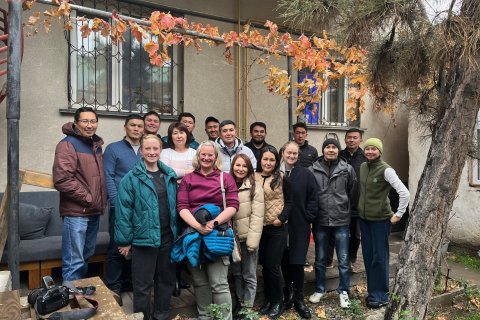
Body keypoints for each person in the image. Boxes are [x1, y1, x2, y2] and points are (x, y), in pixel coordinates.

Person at [115, 134, 178, 319]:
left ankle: (162, 315)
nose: (151, 152)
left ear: (160, 150)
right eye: (147, 149)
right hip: (143, 239)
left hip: (167, 237)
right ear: (141, 151)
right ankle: (143, 316)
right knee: (142, 284)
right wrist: (124, 241)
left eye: (155, 148)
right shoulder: (131, 178)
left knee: (165, 280)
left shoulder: (169, 175)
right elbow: (123, 211)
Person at [177, 141, 239, 320]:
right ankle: (205, 317)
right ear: (198, 156)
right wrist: (197, 226)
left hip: (217, 234)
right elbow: (182, 206)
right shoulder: (188, 179)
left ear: (216, 157)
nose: (206, 157)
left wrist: (213, 222)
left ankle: (224, 318)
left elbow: (234, 205)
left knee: (219, 283)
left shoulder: (225, 178)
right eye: (202, 154)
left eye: (210, 154)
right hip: (193, 235)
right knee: (199, 282)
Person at [52, 107, 107, 281]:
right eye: (85, 121)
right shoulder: (68, 144)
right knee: (74, 260)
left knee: (85, 255)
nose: (89, 125)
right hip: (77, 212)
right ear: (76, 123)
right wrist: (88, 198)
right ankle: (69, 299)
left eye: (93, 121)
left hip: (92, 212)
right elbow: (62, 179)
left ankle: (78, 294)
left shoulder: (95, 146)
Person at [359, 138, 410, 309]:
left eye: (374, 149)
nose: (370, 152)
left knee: (379, 258)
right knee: (368, 256)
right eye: (368, 149)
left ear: (380, 151)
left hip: (380, 221)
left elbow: (404, 193)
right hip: (364, 220)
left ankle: (381, 295)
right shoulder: (363, 167)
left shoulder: (386, 170)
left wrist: (398, 215)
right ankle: (373, 292)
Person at [308, 138, 356, 309]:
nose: (330, 150)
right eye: (327, 147)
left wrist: (344, 207)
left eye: (334, 147)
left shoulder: (347, 169)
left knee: (343, 259)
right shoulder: (312, 169)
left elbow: (351, 191)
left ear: (338, 150)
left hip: (341, 219)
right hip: (320, 220)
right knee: (320, 258)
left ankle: (343, 292)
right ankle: (320, 289)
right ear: (323, 150)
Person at [103, 114, 144, 302]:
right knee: (117, 247)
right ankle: (114, 287)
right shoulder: (113, 149)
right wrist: (115, 201)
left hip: (142, 209)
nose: (136, 129)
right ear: (125, 127)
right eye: (133, 125)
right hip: (120, 207)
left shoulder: (147, 149)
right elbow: (108, 176)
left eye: (139, 126)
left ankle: (131, 283)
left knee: (138, 246)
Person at [279, 141, 318, 318]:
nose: (292, 156)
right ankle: (288, 294)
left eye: (295, 153)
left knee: (297, 260)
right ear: (283, 153)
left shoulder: (306, 174)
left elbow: (313, 196)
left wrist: (308, 216)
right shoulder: (275, 172)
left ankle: (299, 298)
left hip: (299, 223)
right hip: (278, 224)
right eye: (289, 153)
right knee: (284, 259)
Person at [256, 146, 292, 319]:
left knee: (273, 265)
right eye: (265, 159)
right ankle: (268, 300)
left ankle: (278, 301)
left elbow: (290, 202)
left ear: (276, 162)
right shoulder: (253, 177)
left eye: (272, 160)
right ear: (260, 160)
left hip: (276, 228)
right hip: (259, 229)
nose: (268, 163)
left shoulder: (282, 178)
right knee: (264, 266)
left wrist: (281, 218)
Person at [229, 154, 265, 313]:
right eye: (238, 165)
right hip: (233, 239)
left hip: (248, 238)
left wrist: (252, 241)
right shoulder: (227, 184)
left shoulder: (254, 187)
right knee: (236, 274)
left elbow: (258, 216)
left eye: (244, 166)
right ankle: (240, 303)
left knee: (249, 275)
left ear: (249, 168)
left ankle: (248, 308)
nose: (240, 169)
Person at [340, 128, 367, 272]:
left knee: (356, 234)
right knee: (341, 233)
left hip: (358, 202)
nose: (351, 140)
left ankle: (352, 258)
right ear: (345, 139)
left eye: (355, 137)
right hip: (340, 203)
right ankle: (342, 258)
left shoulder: (365, 157)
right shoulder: (339, 155)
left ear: (360, 140)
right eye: (349, 137)